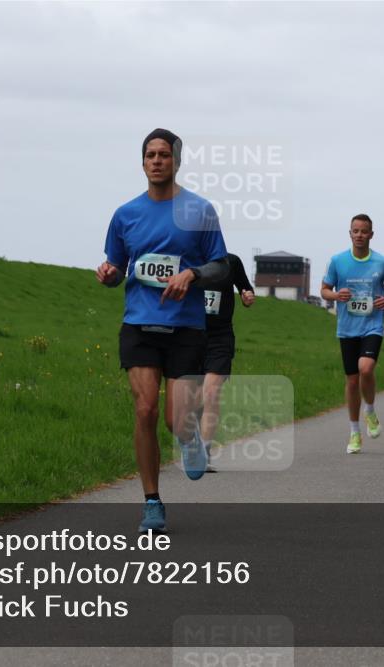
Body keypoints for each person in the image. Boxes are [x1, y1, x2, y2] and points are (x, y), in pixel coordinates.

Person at [97, 128, 229, 534]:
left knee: (175, 419)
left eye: (165, 155)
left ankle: (189, 439)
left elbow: (221, 267)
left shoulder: (200, 210)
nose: (157, 161)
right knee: (144, 410)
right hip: (139, 325)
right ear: (142, 163)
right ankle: (152, 502)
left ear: (177, 161)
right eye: (150, 155)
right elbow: (118, 267)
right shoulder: (125, 214)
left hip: (186, 327)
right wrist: (109, 274)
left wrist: (191, 273)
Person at [321, 214, 384, 453]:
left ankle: (371, 411)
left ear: (371, 234)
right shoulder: (337, 261)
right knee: (352, 380)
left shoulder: (382, 261)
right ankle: (355, 432)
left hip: (372, 325)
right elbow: (324, 290)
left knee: (366, 368)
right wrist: (336, 296)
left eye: (364, 231)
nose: (359, 235)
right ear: (350, 233)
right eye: (355, 231)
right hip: (347, 328)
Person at [199, 253, 256, 472]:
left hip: (220, 337)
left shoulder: (231, 262)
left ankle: (204, 453)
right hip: (189, 334)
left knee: (211, 392)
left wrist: (247, 297)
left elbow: (245, 289)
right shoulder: (188, 256)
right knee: (192, 397)